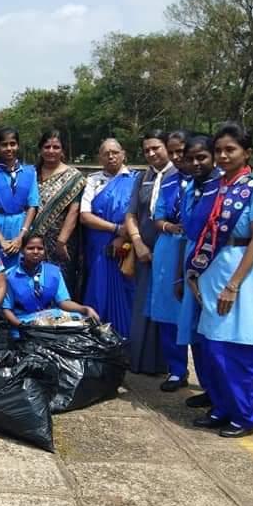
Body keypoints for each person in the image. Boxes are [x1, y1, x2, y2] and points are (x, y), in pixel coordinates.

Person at [187, 123, 253, 438]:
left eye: (230, 150)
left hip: (238, 272)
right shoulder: (218, 186)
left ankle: (244, 415)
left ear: (246, 152)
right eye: (219, 150)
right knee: (213, 346)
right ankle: (222, 407)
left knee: (238, 346)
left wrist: (234, 284)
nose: (223, 156)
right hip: (212, 271)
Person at [174, 135, 220, 410]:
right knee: (194, 332)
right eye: (190, 158)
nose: (195, 163)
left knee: (213, 333)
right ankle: (209, 388)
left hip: (212, 266)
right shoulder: (191, 186)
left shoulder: (221, 188)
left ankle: (221, 396)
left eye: (201, 157)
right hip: (191, 264)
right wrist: (181, 275)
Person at [150, 131, 197, 391]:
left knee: (196, 313)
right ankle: (177, 370)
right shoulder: (167, 183)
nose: (179, 157)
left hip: (196, 249)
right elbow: (157, 218)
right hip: (169, 248)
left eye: (183, 152)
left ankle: (210, 379)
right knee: (168, 311)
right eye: (174, 152)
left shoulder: (209, 182)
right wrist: (169, 226)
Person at [124, 130, 173, 375]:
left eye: (156, 148)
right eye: (147, 150)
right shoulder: (143, 177)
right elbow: (131, 214)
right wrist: (137, 242)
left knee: (168, 305)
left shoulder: (179, 175)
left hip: (172, 251)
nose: (152, 153)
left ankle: (170, 366)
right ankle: (141, 361)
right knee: (144, 303)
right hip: (144, 251)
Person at [80, 138, 137, 337]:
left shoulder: (136, 180)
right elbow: (85, 216)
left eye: (115, 152)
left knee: (128, 293)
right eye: (106, 153)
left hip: (126, 248)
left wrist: (126, 235)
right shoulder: (93, 180)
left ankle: (128, 343)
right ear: (99, 157)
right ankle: (99, 343)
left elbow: (140, 215)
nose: (111, 156)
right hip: (99, 249)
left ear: (123, 154)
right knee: (98, 291)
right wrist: (116, 229)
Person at [29, 129, 85, 296]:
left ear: (62, 150)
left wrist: (62, 242)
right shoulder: (31, 174)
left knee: (60, 284)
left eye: (56, 147)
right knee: (33, 282)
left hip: (61, 242)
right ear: (40, 149)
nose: (51, 151)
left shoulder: (74, 177)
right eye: (47, 147)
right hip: (32, 241)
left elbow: (74, 211)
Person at [1, 234, 99, 327]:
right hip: (24, 322)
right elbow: (7, 309)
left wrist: (84, 309)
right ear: (22, 250)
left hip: (51, 319)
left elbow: (63, 302)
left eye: (40, 248)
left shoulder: (54, 272)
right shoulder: (10, 276)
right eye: (30, 248)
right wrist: (22, 326)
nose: (35, 252)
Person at [0, 127, 40, 269]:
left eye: (12, 144)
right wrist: (1, 240)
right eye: (4, 145)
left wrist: (21, 237)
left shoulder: (30, 173)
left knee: (21, 270)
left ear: (18, 145)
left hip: (21, 227)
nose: (9, 148)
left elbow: (33, 205)